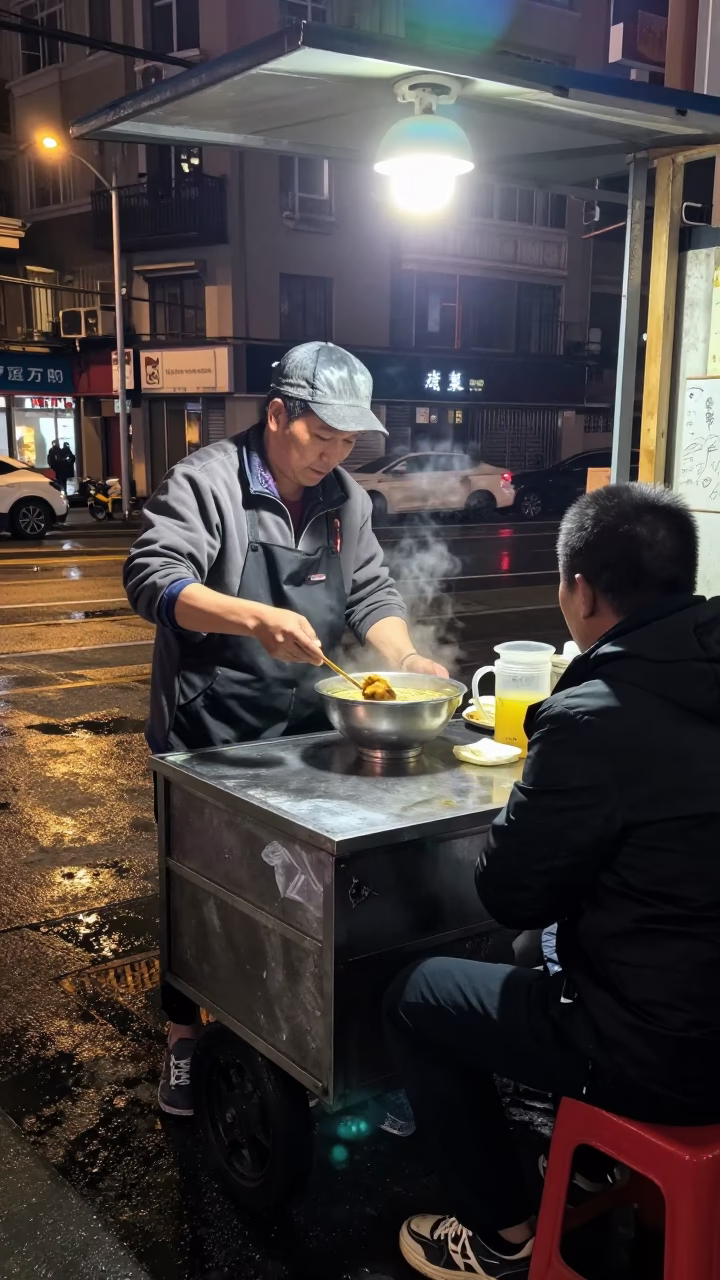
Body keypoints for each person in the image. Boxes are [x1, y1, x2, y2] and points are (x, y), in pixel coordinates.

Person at [385, 483, 720, 1280]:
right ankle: (596, 1159)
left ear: (579, 589)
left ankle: (498, 1231)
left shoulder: (595, 713)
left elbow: (509, 890)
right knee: (539, 945)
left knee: (416, 993)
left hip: (669, 1056)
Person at [124, 340, 447, 1117]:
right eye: (323, 437)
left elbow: (371, 592)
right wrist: (253, 615)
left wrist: (407, 658)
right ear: (279, 414)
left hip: (303, 734)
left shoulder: (345, 499)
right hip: (212, 736)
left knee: (293, 899)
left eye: (348, 442)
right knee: (195, 892)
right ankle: (180, 1037)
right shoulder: (206, 483)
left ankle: (298, 1035)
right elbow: (152, 579)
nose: (334, 455)